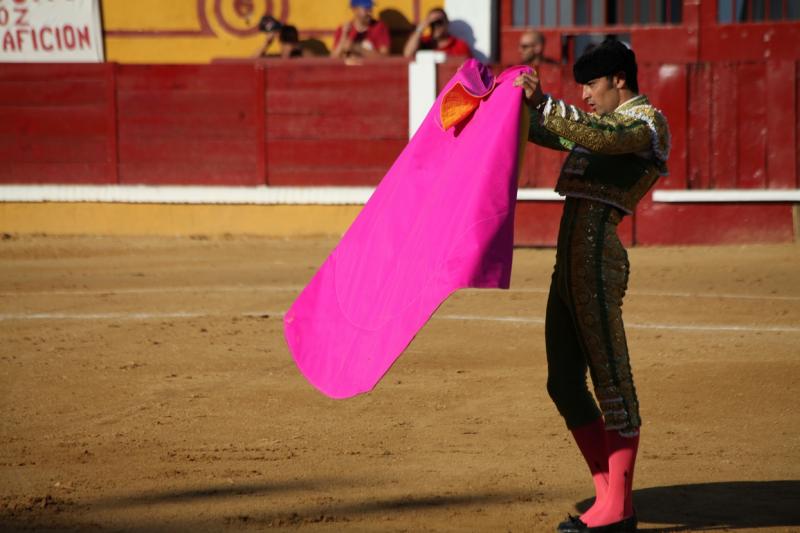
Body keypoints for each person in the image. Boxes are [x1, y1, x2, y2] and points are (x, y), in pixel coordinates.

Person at [513, 39, 670, 533]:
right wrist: (500, 107)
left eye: (592, 83)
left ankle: (618, 509)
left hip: (598, 260)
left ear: (619, 79)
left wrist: (543, 101)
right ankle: (609, 495)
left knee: (611, 380)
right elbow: (549, 131)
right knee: (562, 380)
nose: (584, 93)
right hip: (568, 263)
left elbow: (599, 134)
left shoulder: (644, 124)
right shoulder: (599, 124)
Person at [403, 7, 472, 59]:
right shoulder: (424, 42)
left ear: (447, 23)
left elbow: (470, 70)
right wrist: (420, 29)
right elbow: (408, 54)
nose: (435, 26)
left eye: (439, 22)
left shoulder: (460, 45)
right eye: (432, 23)